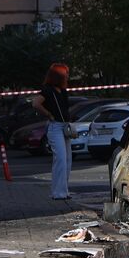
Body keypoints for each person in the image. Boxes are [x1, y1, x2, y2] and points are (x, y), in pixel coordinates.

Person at [32, 64, 72, 200]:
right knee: (60, 158)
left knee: (67, 159)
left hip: (64, 125)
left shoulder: (62, 90)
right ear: (58, 75)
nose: (68, 76)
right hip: (55, 126)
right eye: (66, 73)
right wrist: (48, 114)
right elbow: (36, 103)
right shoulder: (47, 90)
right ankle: (58, 193)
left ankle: (63, 191)